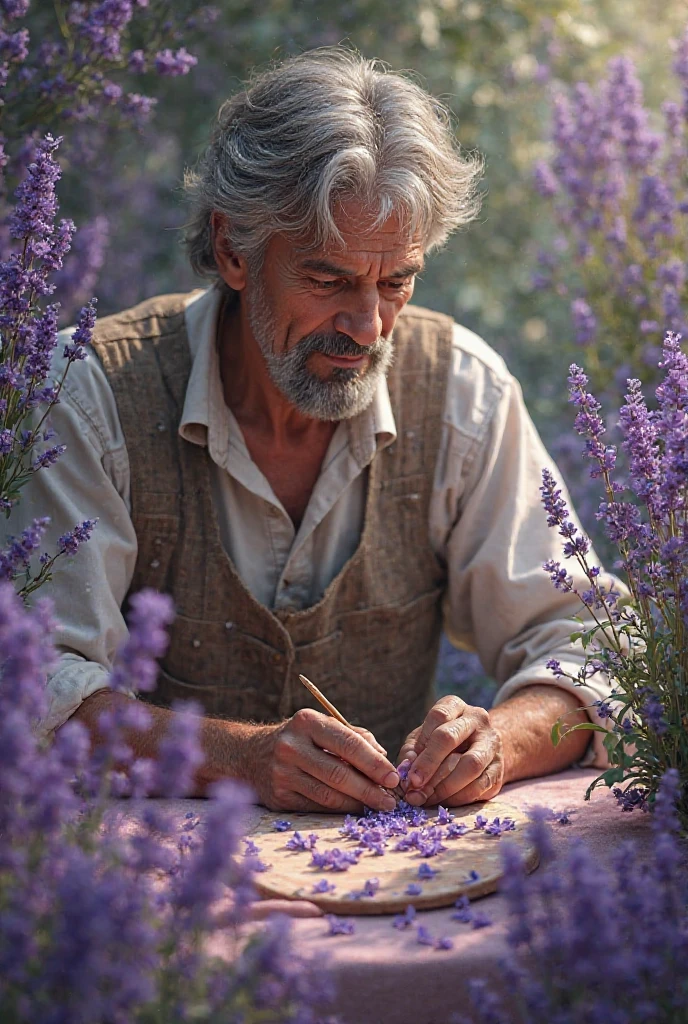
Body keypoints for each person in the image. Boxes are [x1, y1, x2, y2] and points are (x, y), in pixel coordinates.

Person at [17, 48, 618, 812]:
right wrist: (238, 758)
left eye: (396, 281)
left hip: (394, 896)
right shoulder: (91, 393)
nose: (367, 326)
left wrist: (502, 739)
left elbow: (586, 640)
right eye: (329, 280)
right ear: (234, 249)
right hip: (137, 887)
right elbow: (34, 681)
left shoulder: (463, 392)